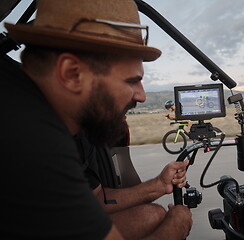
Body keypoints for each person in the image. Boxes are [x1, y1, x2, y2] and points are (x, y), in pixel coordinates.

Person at [0, 0, 192, 239]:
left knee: (152, 215)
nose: (141, 96)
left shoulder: (47, 114)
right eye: (131, 81)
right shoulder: (29, 137)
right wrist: (180, 222)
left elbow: (96, 200)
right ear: (72, 74)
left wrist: (159, 186)